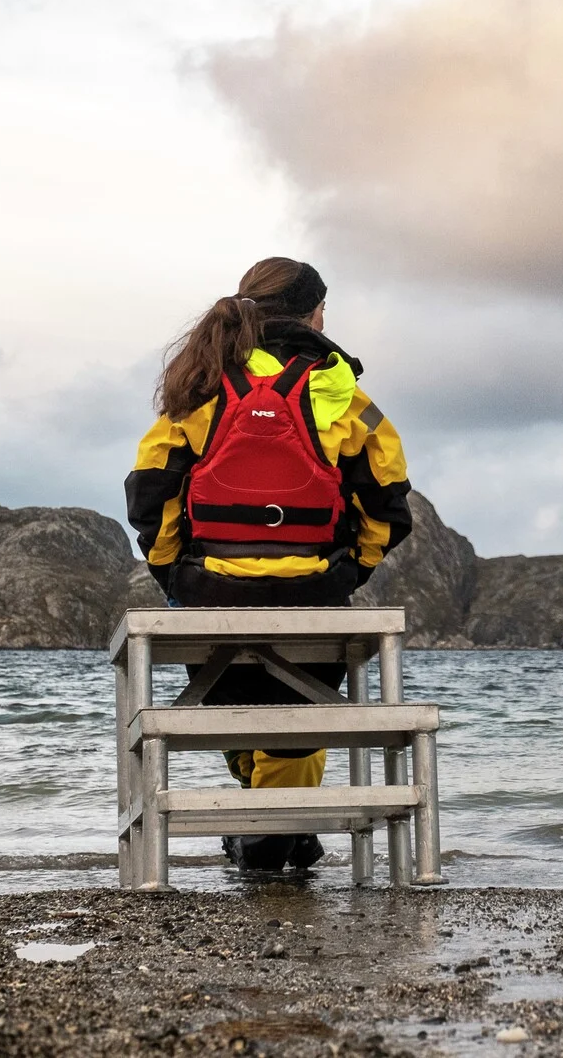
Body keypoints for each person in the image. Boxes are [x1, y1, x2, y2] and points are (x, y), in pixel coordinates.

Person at [125, 257, 413, 873]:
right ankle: (276, 835)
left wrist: (177, 575)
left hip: (208, 596)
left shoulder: (199, 388)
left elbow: (150, 495)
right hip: (314, 594)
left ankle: (267, 837)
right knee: (297, 721)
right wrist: (346, 573)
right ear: (315, 314)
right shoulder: (346, 397)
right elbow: (387, 502)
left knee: (237, 705)